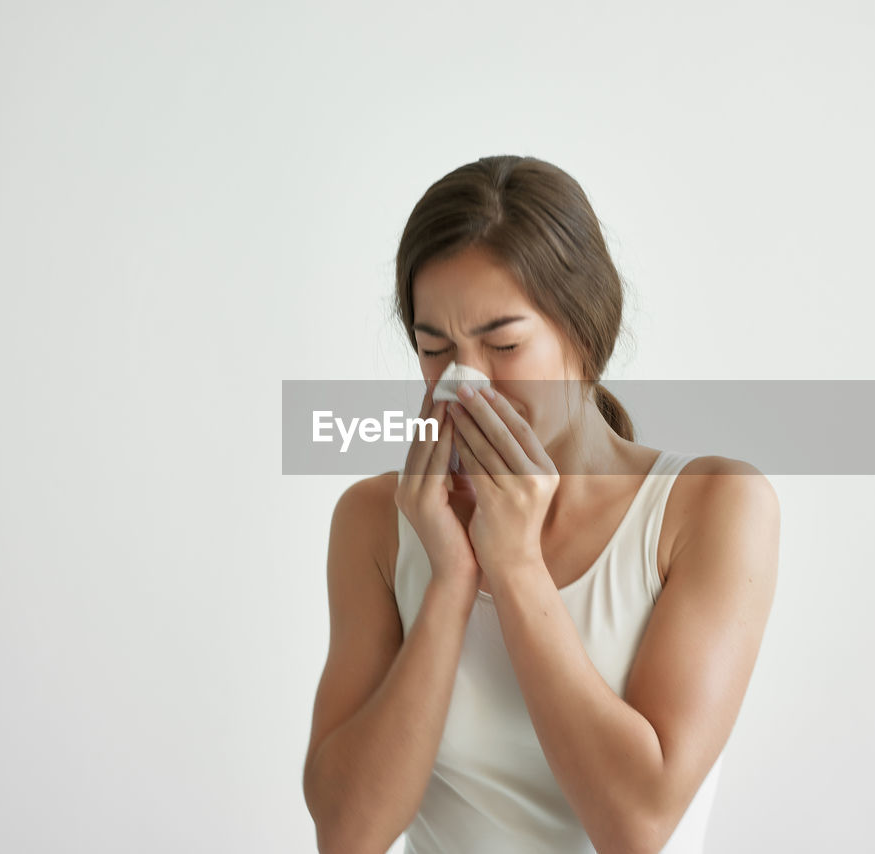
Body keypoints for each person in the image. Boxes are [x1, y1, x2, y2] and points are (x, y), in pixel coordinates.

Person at [303, 155, 779, 853]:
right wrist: (451, 582)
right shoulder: (378, 520)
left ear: (584, 335)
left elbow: (636, 826)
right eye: (435, 350)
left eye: (504, 344)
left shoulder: (710, 507)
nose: (466, 383)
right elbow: (347, 835)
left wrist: (517, 566)